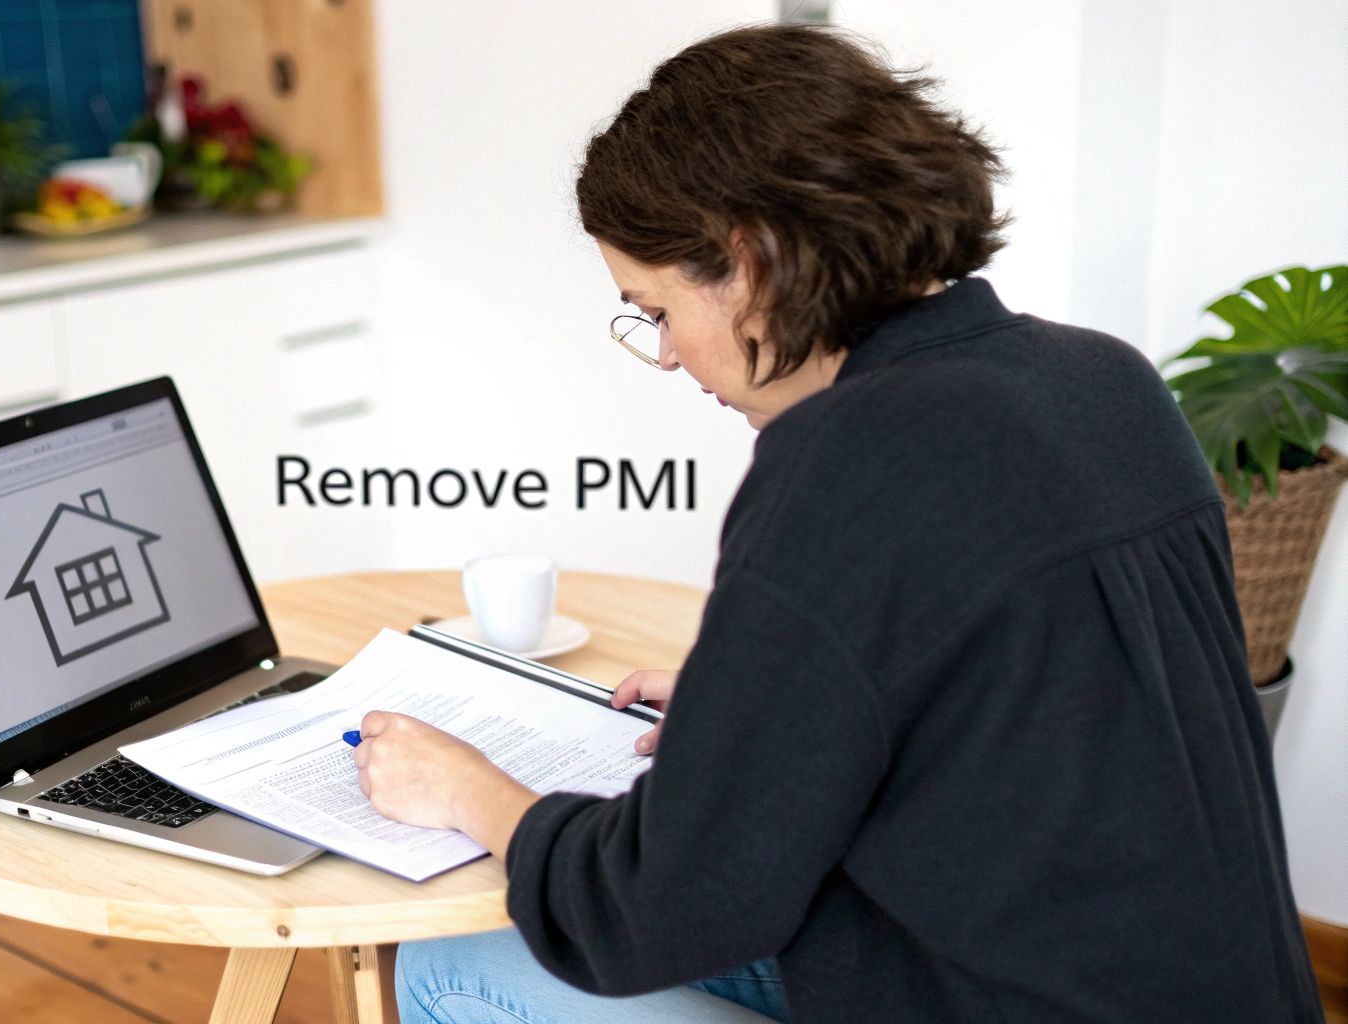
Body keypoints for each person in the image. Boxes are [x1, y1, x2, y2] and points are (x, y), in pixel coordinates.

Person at [347, 23, 1324, 1024]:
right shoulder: (1100, 378)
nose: (671, 355)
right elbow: (1041, 706)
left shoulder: (843, 457)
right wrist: (774, 711)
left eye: (651, 310)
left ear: (748, 260)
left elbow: (649, 915)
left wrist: (474, 793)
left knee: (456, 965)